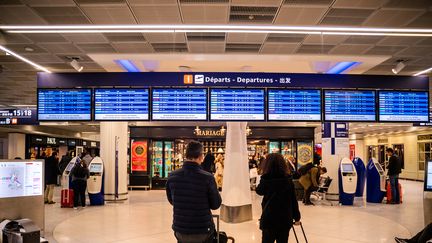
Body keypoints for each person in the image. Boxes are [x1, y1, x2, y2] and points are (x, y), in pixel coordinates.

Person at [166, 141, 222, 243]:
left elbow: (172, 201)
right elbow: (216, 204)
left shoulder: (172, 176)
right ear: (201, 156)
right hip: (203, 229)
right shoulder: (207, 177)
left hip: (180, 229)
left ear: (186, 155)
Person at [256, 153, 301, 243]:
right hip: (285, 218)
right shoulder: (288, 180)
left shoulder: (265, 179)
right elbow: (293, 200)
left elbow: (259, 191)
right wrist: (297, 217)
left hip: (269, 217)